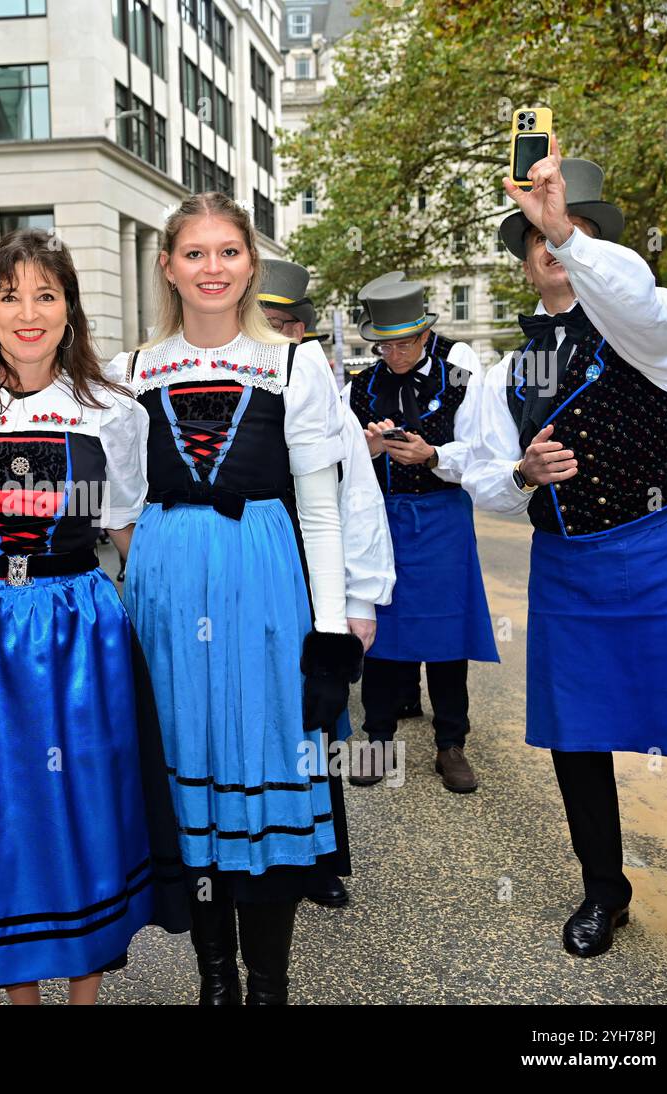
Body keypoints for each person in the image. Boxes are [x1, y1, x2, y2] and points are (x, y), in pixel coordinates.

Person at [113, 193, 363, 1005]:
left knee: (263, 769)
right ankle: (213, 980)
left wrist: (330, 634)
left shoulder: (297, 364)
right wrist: (155, 557)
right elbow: (115, 501)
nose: (212, 268)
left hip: (263, 584)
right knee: (188, 778)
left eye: (228, 252)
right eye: (195, 253)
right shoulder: (132, 371)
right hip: (167, 597)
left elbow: (320, 508)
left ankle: (268, 986)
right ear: (168, 266)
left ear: (251, 264)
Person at [0, 230, 162, 1004]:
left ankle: (84, 996)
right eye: (9, 295)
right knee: (3, 808)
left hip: (78, 629)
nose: (27, 312)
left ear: (69, 308)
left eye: (45, 294)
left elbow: (127, 533)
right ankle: (21, 996)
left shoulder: (110, 408)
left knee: (83, 803)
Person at [463, 150, 667, 957]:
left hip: (666, 552)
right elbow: (484, 477)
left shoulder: (647, 323)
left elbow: (637, 302)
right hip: (568, 566)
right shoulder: (508, 367)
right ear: (526, 267)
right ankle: (606, 891)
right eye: (535, 241)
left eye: (565, 235)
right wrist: (520, 474)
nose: (552, 250)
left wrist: (564, 225)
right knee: (578, 735)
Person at [257, 261, 395, 910]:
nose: (272, 336)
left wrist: (359, 600)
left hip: (315, 588)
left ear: (303, 330)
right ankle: (255, 848)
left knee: (319, 725)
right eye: (261, 324)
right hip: (255, 582)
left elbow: (355, 503)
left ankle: (320, 858)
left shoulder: (326, 401)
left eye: (281, 325)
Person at [342, 277, 498, 793]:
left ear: (425, 333)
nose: (393, 353)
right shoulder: (358, 387)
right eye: (383, 344)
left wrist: (433, 456)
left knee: (449, 632)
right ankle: (379, 737)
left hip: (442, 516)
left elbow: (481, 450)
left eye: (403, 342)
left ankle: (450, 742)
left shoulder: (462, 370)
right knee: (379, 626)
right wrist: (366, 451)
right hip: (380, 519)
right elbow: (336, 461)